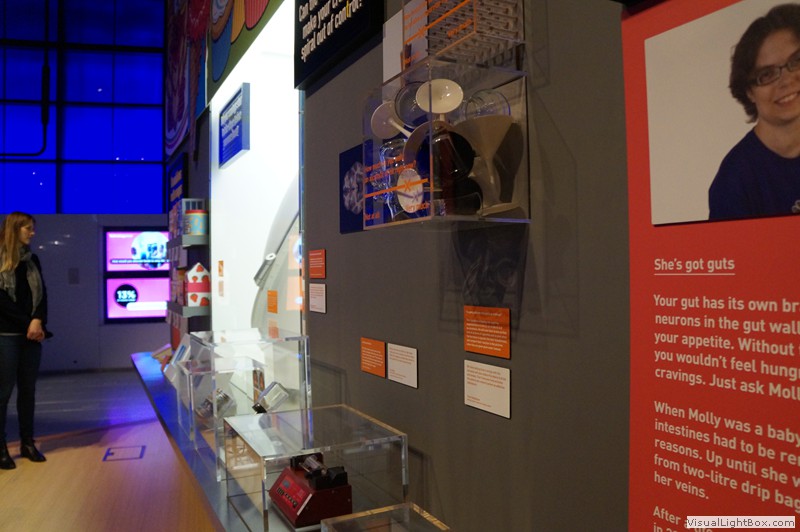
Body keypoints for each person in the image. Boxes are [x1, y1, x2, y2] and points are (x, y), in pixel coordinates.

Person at [709, 3, 800, 220]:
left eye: (796, 61)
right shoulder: (734, 181)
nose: (786, 80)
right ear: (749, 92)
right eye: (767, 74)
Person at [0, 212, 49, 469]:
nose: (32, 233)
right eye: (27, 228)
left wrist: (38, 320)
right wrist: (28, 323)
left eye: (32, 228)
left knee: (28, 391)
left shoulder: (32, 260)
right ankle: (1, 447)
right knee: (3, 392)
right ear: (14, 229)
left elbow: (42, 295)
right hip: (6, 335)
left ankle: (27, 443)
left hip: (32, 334)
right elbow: (1, 302)